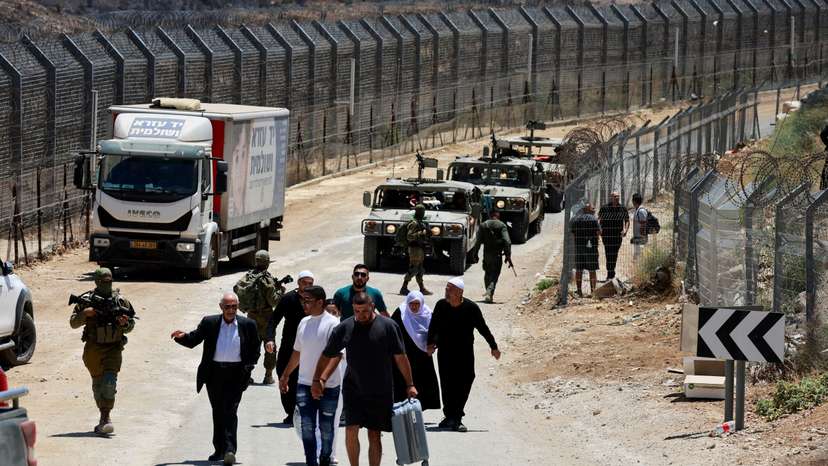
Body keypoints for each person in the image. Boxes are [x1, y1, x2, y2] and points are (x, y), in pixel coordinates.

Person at [313, 292, 417, 466]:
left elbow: (401, 357)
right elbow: (327, 355)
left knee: (374, 434)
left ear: (373, 307)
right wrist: (318, 380)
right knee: (351, 429)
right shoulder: (345, 327)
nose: (360, 315)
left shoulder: (389, 326)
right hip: (353, 388)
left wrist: (410, 384)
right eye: (356, 311)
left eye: (364, 311)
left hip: (380, 389)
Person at [171, 292, 260, 465]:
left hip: (236, 374)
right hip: (214, 373)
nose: (231, 310)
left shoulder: (248, 324)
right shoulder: (210, 322)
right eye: (227, 306)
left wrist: (249, 367)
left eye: (234, 306)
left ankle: (230, 450)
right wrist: (181, 337)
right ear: (221, 307)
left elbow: (255, 348)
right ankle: (219, 449)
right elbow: (194, 339)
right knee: (218, 411)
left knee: (230, 411)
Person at [279, 286, 342, 466]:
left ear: (320, 302)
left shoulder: (333, 324)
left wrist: (321, 380)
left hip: (328, 386)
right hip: (304, 384)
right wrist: (285, 376)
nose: (303, 304)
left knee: (326, 427)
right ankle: (310, 462)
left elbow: (337, 355)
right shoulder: (303, 322)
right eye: (302, 300)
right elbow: (297, 352)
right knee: (306, 427)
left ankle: (324, 458)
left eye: (307, 300)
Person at [427, 278, 500, 432]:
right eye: (446, 289)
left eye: (450, 289)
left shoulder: (471, 308)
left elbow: (483, 328)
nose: (446, 292)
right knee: (447, 383)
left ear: (460, 292)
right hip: (445, 351)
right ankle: (451, 417)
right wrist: (430, 343)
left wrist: (493, 346)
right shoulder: (441, 305)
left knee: (466, 380)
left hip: (464, 352)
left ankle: (456, 415)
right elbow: (433, 325)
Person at [69, 267, 136, 436]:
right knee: (98, 384)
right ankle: (102, 416)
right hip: (93, 349)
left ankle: (106, 418)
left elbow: (131, 326)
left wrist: (124, 323)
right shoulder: (86, 300)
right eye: (103, 281)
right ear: (96, 282)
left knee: (109, 382)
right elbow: (73, 323)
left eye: (109, 281)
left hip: (114, 348)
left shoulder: (121, 301)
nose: (107, 284)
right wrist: (85, 313)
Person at [266, 270, 315, 425]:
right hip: (289, 346)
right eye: (304, 282)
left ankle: (303, 412)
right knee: (284, 376)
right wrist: (269, 339)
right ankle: (291, 412)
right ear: (298, 283)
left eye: (310, 283)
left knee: (305, 381)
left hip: (309, 347)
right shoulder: (288, 299)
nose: (307, 286)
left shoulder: (316, 299)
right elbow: (273, 320)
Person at [234, 250, 285, 385]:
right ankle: (268, 376)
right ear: (267, 262)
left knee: (250, 345)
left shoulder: (248, 277)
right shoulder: (266, 279)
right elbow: (273, 301)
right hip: (266, 317)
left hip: (251, 316)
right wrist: (281, 291)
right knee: (269, 344)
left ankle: (247, 374)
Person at [391, 291, 440, 410]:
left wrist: (433, 344)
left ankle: (418, 410)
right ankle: (400, 411)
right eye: (411, 303)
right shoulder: (401, 313)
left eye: (417, 304)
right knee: (402, 381)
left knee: (422, 382)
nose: (414, 306)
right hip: (404, 354)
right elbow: (391, 329)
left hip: (422, 355)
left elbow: (436, 331)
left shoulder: (428, 314)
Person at [471, 210, 512, 303]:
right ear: (498, 216)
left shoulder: (483, 225)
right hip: (497, 255)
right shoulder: (502, 225)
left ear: (490, 215)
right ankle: (489, 292)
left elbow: (477, 242)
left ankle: (488, 294)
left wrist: (475, 254)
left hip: (486, 254)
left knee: (487, 273)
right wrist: (508, 255)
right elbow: (507, 241)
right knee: (495, 274)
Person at [400, 204, 433, 296]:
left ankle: (422, 288)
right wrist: (421, 233)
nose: (423, 213)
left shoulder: (420, 222)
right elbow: (410, 236)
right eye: (422, 211)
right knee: (414, 268)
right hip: (414, 248)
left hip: (420, 248)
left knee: (420, 269)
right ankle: (404, 287)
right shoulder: (414, 223)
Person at [570, 203, 601, 296]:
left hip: (579, 248)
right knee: (592, 270)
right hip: (591, 248)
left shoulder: (575, 219)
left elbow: (573, 233)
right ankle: (593, 292)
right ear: (587, 209)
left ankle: (579, 291)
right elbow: (599, 232)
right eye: (592, 208)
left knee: (579, 269)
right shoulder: (593, 219)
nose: (594, 209)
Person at [598, 192, 629, 280]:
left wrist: (625, 230)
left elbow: (627, 220)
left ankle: (612, 272)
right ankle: (610, 273)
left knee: (614, 254)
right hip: (606, 236)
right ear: (611, 197)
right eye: (615, 196)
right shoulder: (604, 208)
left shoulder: (622, 208)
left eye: (618, 196)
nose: (617, 198)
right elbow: (599, 220)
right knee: (608, 254)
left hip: (617, 236)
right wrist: (599, 229)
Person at [631, 193, 649, 261]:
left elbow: (644, 224)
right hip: (638, 237)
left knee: (640, 257)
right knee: (637, 256)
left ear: (634, 201)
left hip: (640, 238)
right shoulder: (637, 210)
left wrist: (641, 237)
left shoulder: (641, 211)